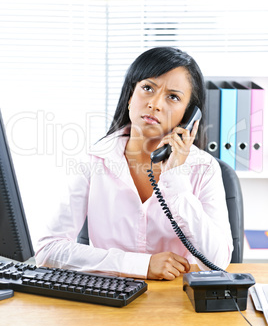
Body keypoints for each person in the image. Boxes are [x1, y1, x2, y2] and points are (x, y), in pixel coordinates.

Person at [35, 47, 233, 280]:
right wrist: (141, 265)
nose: (155, 104)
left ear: (188, 116)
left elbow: (218, 261)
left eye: (173, 97)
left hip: (177, 303)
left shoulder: (204, 169)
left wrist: (176, 178)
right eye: (147, 88)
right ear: (130, 96)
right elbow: (48, 250)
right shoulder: (94, 160)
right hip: (108, 300)